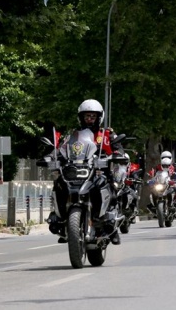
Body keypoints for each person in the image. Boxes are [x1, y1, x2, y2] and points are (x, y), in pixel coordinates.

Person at [49, 99, 123, 244]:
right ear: (81, 117)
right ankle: (61, 220)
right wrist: (53, 156)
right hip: (78, 170)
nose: (89, 119)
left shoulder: (107, 134)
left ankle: (112, 226)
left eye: (92, 116)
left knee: (113, 188)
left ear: (99, 117)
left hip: (100, 171)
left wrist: (117, 154)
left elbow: (118, 148)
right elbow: (62, 149)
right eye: (86, 116)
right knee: (59, 184)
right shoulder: (74, 135)